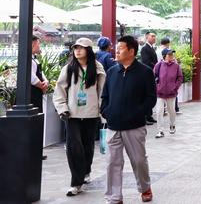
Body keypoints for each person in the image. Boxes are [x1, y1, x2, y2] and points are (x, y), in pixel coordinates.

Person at [101, 35, 157, 204]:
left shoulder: (145, 72)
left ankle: (145, 187)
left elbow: (151, 98)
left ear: (131, 51)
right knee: (112, 162)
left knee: (139, 160)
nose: (116, 51)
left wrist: (138, 113)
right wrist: (106, 111)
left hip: (134, 126)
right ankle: (114, 197)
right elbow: (105, 96)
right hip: (113, 125)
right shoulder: (112, 72)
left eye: (120, 48)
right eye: (116, 48)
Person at [53, 38, 106, 197]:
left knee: (88, 146)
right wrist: (62, 109)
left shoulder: (97, 67)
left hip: (91, 113)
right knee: (74, 147)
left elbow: (102, 91)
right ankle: (76, 183)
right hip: (72, 114)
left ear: (88, 50)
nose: (77, 51)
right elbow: (59, 90)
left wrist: (103, 112)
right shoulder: (69, 68)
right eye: (75, 48)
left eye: (81, 48)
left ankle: (86, 171)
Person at [153, 48, 183, 139]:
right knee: (159, 111)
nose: (171, 56)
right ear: (164, 56)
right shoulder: (158, 65)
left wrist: (175, 87)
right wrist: (157, 87)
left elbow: (180, 78)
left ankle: (172, 125)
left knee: (171, 111)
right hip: (160, 93)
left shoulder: (176, 66)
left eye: (172, 54)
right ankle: (160, 131)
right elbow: (153, 76)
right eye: (169, 54)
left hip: (171, 93)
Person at [31, 35, 49, 160]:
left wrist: (45, 82)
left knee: (37, 120)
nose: (39, 46)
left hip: (37, 93)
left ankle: (36, 151)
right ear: (32, 45)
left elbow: (40, 74)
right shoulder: (28, 60)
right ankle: (34, 151)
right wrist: (42, 85)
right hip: (32, 94)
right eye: (38, 44)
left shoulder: (35, 59)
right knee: (34, 121)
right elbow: (32, 78)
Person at [139, 31, 158, 125]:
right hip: (147, 74)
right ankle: (145, 117)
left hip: (152, 74)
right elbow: (146, 62)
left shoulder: (151, 48)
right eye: (152, 36)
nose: (154, 38)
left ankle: (149, 116)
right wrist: (156, 67)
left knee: (150, 94)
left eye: (155, 36)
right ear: (147, 37)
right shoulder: (144, 48)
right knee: (146, 95)